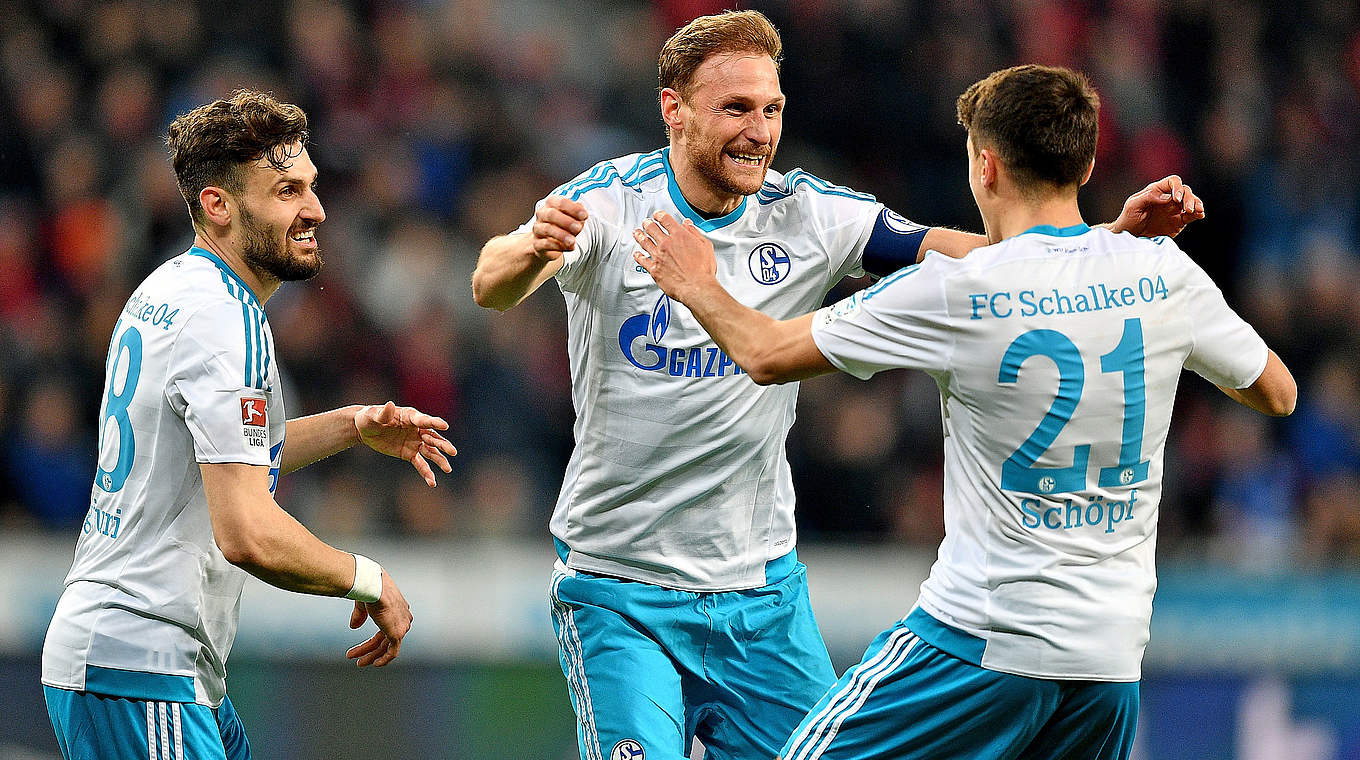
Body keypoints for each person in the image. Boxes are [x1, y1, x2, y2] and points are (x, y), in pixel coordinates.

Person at [473, 11, 1202, 759]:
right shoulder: (611, 204)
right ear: (674, 110)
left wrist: (1099, 241)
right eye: (736, 109)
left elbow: (976, 259)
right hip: (619, 591)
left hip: (760, 600)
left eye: (771, 110)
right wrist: (533, 246)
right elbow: (489, 283)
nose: (760, 131)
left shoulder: (810, 214)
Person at [632, 64, 1296, 760]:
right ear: (1089, 160)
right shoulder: (1160, 271)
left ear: (986, 165)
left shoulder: (957, 290)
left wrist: (697, 283)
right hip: (1107, 661)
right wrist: (1123, 258)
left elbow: (765, 353)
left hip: (979, 640)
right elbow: (1277, 392)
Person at [41, 90, 458, 760]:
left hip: (143, 660)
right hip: (138, 664)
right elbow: (245, 531)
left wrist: (352, 425)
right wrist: (367, 578)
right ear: (218, 205)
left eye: (312, 187)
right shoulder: (221, 319)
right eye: (287, 190)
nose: (315, 209)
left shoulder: (176, 288)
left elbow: (229, 457)